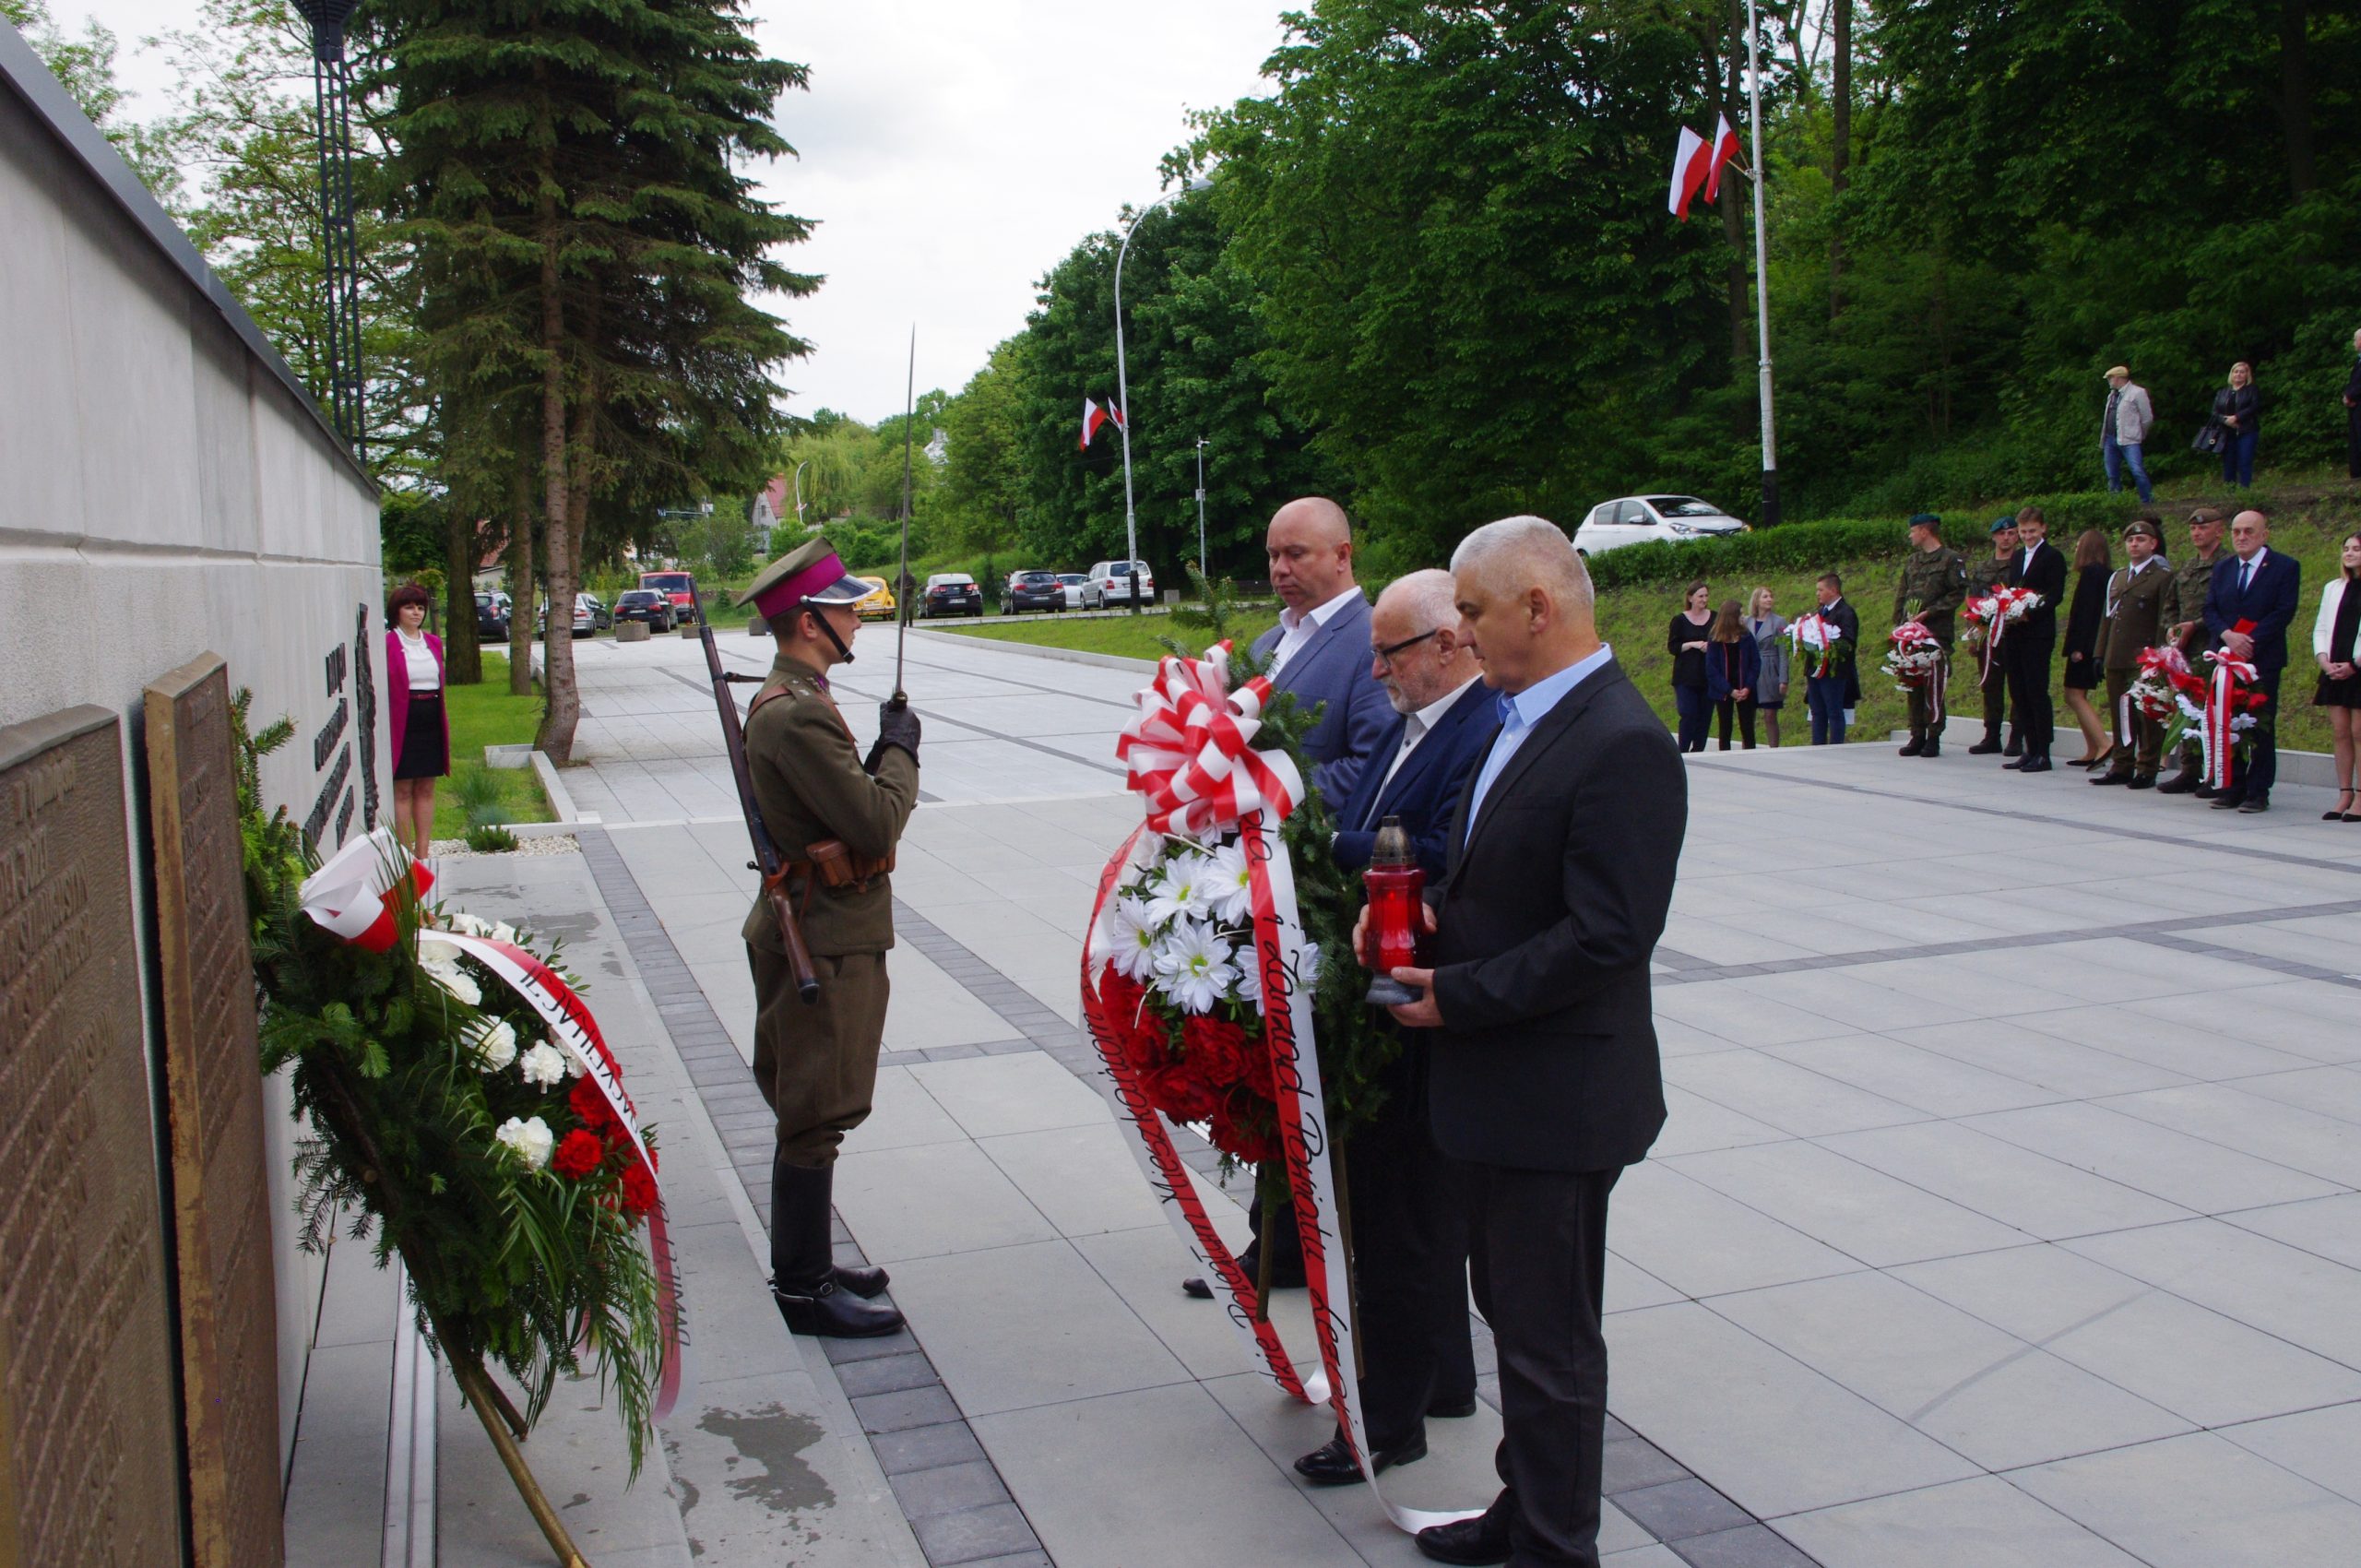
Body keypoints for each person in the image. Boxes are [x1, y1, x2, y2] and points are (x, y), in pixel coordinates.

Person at [1371, 517, 1683, 1568]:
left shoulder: (1621, 739)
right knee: (1512, 1312)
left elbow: (1606, 935)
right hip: (1502, 1087)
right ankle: (1523, 1505)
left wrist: (1456, 995)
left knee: (1550, 1342)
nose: (1459, 632)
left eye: (1471, 610)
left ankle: (1558, 1544)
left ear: (1536, 608)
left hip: (1557, 1098)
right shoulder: (1522, 714)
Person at [1291, 569, 1492, 1488]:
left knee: (1400, 1220)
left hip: (1418, 1005)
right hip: (1380, 1004)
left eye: (1392, 651)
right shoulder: (1414, 725)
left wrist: (1309, 842)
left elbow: (1441, 856)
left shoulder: (1480, 727)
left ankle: (1387, 1421)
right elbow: (1369, 819)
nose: (1376, 670)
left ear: (1448, 645)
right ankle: (1441, 1379)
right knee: (1408, 1210)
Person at [734, 539, 922, 1337]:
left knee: (816, 1105)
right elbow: (877, 819)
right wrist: (903, 752)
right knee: (814, 1110)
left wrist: (877, 752)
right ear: (811, 623)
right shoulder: (799, 710)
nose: (857, 620)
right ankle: (804, 1288)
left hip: (820, 924)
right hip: (823, 933)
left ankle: (807, 1261)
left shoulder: (794, 696)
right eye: (845, 609)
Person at [1250, 497, 1394, 803]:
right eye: (1273, 556)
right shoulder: (1264, 644)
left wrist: (1259, 791)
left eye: (1296, 554)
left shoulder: (1375, 642)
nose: (1280, 569)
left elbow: (1376, 765)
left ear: (1342, 556)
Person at [2204, 508, 2301, 814]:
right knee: (2228, 721)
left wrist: (2250, 640)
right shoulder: (2223, 568)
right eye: (2236, 531)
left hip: (2262, 658)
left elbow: (2284, 610)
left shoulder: (2284, 567)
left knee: (2260, 724)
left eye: (2249, 531)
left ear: (2264, 535)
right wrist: (2228, 636)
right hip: (2226, 657)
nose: (2242, 537)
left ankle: (2258, 790)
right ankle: (2233, 785)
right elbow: (2210, 609)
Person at [2090, 517, 2178, 790]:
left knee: (2147, 715)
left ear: (2153, 544)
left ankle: (2147, 766)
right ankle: (2122, 763)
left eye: (2141, 540)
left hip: (2144, 657)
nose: (2135, 544)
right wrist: (2099, 653)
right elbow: (2107, 618)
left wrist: (2158, 658)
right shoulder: (2117, 577)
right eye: (2130, 540)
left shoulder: (2162, 577)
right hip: (2117, 655)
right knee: (2121, 713)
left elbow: (2164, 619)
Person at [2158, 507, 2232, 794]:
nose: (2197, 533)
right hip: (2185, 652)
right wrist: (2172, 631)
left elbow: (2225, 608)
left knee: (2213, 710)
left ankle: (2214, 768)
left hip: (2213, 649)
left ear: (2219, 530)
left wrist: (2196, 626)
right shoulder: (2187, 568)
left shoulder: (2227, 565)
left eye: (2203, 527)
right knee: (2187, 708)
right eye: (2193, 529)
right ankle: (2189, 768)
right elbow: (2170, 606)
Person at [1892, 513, 1966, 757]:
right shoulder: (1913, 561)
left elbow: (1957, 594)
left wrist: (1930, 612)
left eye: (1913, 531)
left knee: (1934, 684)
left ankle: (1933, 735)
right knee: (1912, 682)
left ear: (1924, 531)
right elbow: (1902, 594)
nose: (1910, 536)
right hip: (1911, 635)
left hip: (1935, 633)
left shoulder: (1950, 560)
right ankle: (1917, 734)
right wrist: (1898, 627)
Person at [385, 583, 448, 863]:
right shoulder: (387, 643)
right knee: (403, 788)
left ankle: (422, 854)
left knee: (426, 787)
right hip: (403, 718)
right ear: (396, 611)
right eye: (409, 607)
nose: (416, 612)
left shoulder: (433, 642)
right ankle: (403, 856)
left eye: (420, 607)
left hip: (431, 716)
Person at [2002, 505, 2068, 773]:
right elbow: (2010, 589)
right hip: (2015, 632)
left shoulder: (2053, 557)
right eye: (2023, 532)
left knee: (2036, 690)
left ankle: (2043, 751)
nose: (2028, 536)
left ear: (2043, 528)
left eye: (2032, 531)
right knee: (2018, 691)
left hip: (2037, 632)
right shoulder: (2017, 557)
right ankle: (2029, 748)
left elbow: (2055, 595)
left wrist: (2030, 611)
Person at [2311, 532, 2361, 820]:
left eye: (2356, 549)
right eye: (2346, 549)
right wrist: (2324, 660)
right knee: (2340, 731)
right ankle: (2345, 792)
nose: (2349, 553)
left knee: (2358, 732)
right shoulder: (2333, 587)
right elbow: (2320, 627)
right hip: (2334, 668)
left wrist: (2355, 664)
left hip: (2357, 669)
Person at [1964, 517, 2023, 756]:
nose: (2006, 538)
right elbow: (1973, 601)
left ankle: (2017, 736)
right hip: (1988, 635)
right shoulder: (1983, 568)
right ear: (1994, 537)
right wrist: (1972, 635)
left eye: (2011, 533)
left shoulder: (2021, 564)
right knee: (1990, 685)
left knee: (2017, 686)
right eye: (2001, 534)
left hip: (2015, 633)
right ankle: (1991, 734)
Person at [2058, 529, 2113, 767]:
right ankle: (2092, 748)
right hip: (2096, 644)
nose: (2076, 547)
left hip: (2085, 645)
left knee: (2074, 694)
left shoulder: (2091, 574)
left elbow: (2086, 614)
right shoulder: (2105, 574)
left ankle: (2103, 743)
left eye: (2080, 543)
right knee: (2078, 694)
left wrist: (2078, 646)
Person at [1801, 573, 1858, 746]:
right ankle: (1817, 746)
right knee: (1817, 711)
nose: (1817, 593)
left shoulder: (1845, 612)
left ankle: (1835, 746)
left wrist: (1828, 646)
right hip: (1816, 669)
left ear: (1833, 590)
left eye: (1821, 590)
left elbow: (1848, 642)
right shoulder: (1819, 612)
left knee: (1834, 711)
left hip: (1834, 671)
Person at [1703, 599, 1760, 751]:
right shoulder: (1715, 639)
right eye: (1740, 614)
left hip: (1745, 687)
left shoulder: (1746, 636)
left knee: (1747, 726)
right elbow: (1712, 669)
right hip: (1724, 690)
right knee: (1725, 726)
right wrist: (1729, 690)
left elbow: (1755, 662)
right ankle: (1725, 757)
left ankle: (1750, 755)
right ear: (1731, 617)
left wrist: (1748, 687)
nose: (1743, 617)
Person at [1667, 581, 1714, 753]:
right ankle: (1683, 750)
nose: (1704, 599)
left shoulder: (1714, 618)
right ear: (1690, 598)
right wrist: (1693, 644)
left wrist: (1710, 646)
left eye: (1706, 596)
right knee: (1688, 713)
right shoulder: (1680, 620)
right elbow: (1673, 647)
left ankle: (1699, 750)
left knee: (1705, 716)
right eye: (1700, 596)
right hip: (1685, 676)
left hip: (1708, 675)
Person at [2101, 364, 2155, 504]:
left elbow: (2147, 418)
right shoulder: (2112, 395)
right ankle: (2116, 503)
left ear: (2118, 378)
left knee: (2137, 470)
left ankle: (2147, 500)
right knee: (2112, 474)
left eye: (2110, 378)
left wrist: (2140, 434)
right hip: (2110, 438)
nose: (2109, 381)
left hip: (2130, 439)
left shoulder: (2138, 393)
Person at [1744, 587, 1788, 748]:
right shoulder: (1747, 621)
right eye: (1765, 597)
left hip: (1770, 669)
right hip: (1750, 669)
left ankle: (1774, 747)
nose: (1769, 599)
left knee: (1770, 714)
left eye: (1771, 596)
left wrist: (1783, 678)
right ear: (1757, 600)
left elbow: (1783, 652)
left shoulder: (1778, 622)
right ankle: (1748, 746)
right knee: (1748, 713)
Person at [2213, 362, 2261, 489]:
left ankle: (2245, 490)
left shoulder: (2252, 390)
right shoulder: (2223, 392)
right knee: (2229, 463)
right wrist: (2225, 420)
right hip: (2227, 432)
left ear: (2247, 375)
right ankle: (2229, 492)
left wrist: (2237, 417)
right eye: (2236, 371)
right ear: (2231, 374)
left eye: (2242, 372)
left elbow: (2254, 407)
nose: (2238, 374)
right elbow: (2215, 412)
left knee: (2245, 460)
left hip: (2247, 430)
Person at [2344, 328, 2361, 481]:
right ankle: (2357, 473)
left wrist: (2350, 394)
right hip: (2355, 406)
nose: (2353, 343)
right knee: (2355, 438)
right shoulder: (2358, 361)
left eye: (2355, 340)